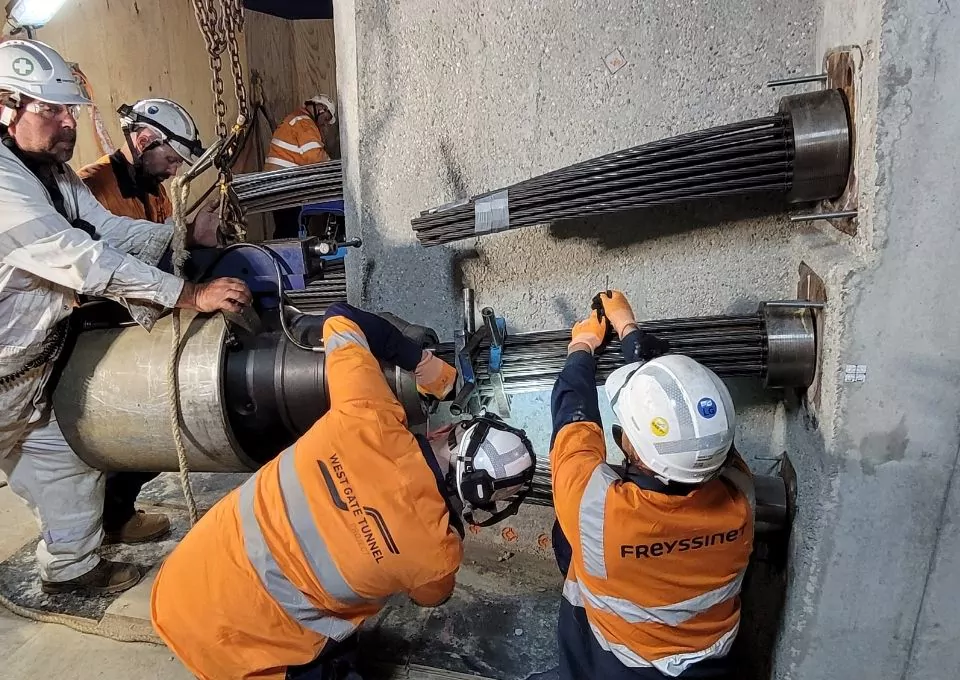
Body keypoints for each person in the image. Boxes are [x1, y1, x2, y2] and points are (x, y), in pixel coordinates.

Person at [151, 302, 537, 680]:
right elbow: (432, 596)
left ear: (441, 431)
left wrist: (425, 364)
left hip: (177, 588)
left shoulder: (366, 413)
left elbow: (341, 316)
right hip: (243, 661)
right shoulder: (438, 555)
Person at [0, 39, 252, 596]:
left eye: (72, 111)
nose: (69, 124)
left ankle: (71, 571)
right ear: (6, 106)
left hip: (21, 378)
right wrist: (190, 294)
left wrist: (180, 236)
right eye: (52, 110)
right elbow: (81, 258)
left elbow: (107, 232)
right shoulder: (4, 182)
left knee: (68, 459)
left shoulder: (51, 174)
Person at [550, 290, 755, 679]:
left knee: (566, 536)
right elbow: (690, 429)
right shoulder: (739, 489)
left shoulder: (593, 511)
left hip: (619, 661)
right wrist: (630, 332)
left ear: (633, 451)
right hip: (714, 662)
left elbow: (572, 422)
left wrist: (581, 346)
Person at [78, 98, 217, 548]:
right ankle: (103, 520)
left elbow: (161, 252)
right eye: (171, 159)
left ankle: (111, 514)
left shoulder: (153, 189)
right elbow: (100, 263)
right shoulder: (91, 187)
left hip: (135, 319)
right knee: (136, 424)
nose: (174, 171)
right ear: (143, 141)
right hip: (93, 327)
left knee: (155, 420)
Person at [265, 94, 338, 239]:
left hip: (280, 184)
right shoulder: (304, 122)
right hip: (286, 185)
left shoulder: (297, 119)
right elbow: (315, 158)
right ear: (322, 109)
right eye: (327, 119)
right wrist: (336, 171)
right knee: (289, 230)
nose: (324, 124)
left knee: (286, 228)